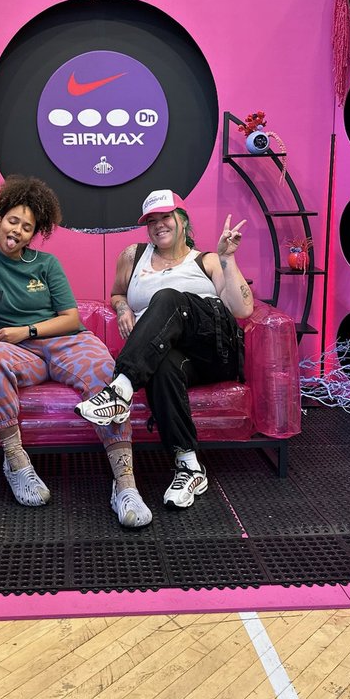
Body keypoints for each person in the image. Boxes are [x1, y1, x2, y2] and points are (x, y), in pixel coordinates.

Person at [0, 175, 152, 528]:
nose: (18, 231)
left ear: (34, 233)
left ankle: (125, 485)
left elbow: (70, 318)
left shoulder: (47, 264)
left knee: (106, 372)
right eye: (13, 221)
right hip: (19, 353)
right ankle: (16, 462)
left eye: (27, 227)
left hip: (66, 341)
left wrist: (26, 330)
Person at [75, 189, 253, 509]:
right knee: (164, 363)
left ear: (182, 221)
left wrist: (227, 258)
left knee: (169, 297)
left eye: (166, 217)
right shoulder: (133, 255)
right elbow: (117, 294)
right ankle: (189, 466)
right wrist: (123, 309)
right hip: (173, 354)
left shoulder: (207, 259)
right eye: (152, 221)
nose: (159, 225)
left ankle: (120, 390)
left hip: (215, 350)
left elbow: (242, 310)